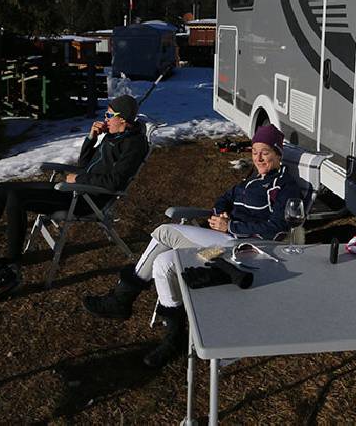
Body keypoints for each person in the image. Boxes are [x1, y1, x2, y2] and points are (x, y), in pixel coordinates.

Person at [82, 123, 301, 369]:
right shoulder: (251, 180)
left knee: (164, 231)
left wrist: (230, 227)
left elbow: (278, 228)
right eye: (254, 152)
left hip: (245, 250)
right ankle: (174, 337)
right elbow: (224, 198)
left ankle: (122, 298)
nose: (258, 158)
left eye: (265, 152)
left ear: (278, 154)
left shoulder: (285, 186)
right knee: (164, 264)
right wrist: (221, 215)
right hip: (218, 250)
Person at [0, 94, 148, 302]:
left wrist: (79, 178)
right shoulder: (112, 136)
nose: (105, 119)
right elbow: (84, 164)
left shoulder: (133, 144)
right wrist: (91, 139)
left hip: (86, 200)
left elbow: (114, 183)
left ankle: (11, 268)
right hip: (76, 188)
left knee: (16, 197)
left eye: (109, 115)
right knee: (3, 188)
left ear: (123, 119)